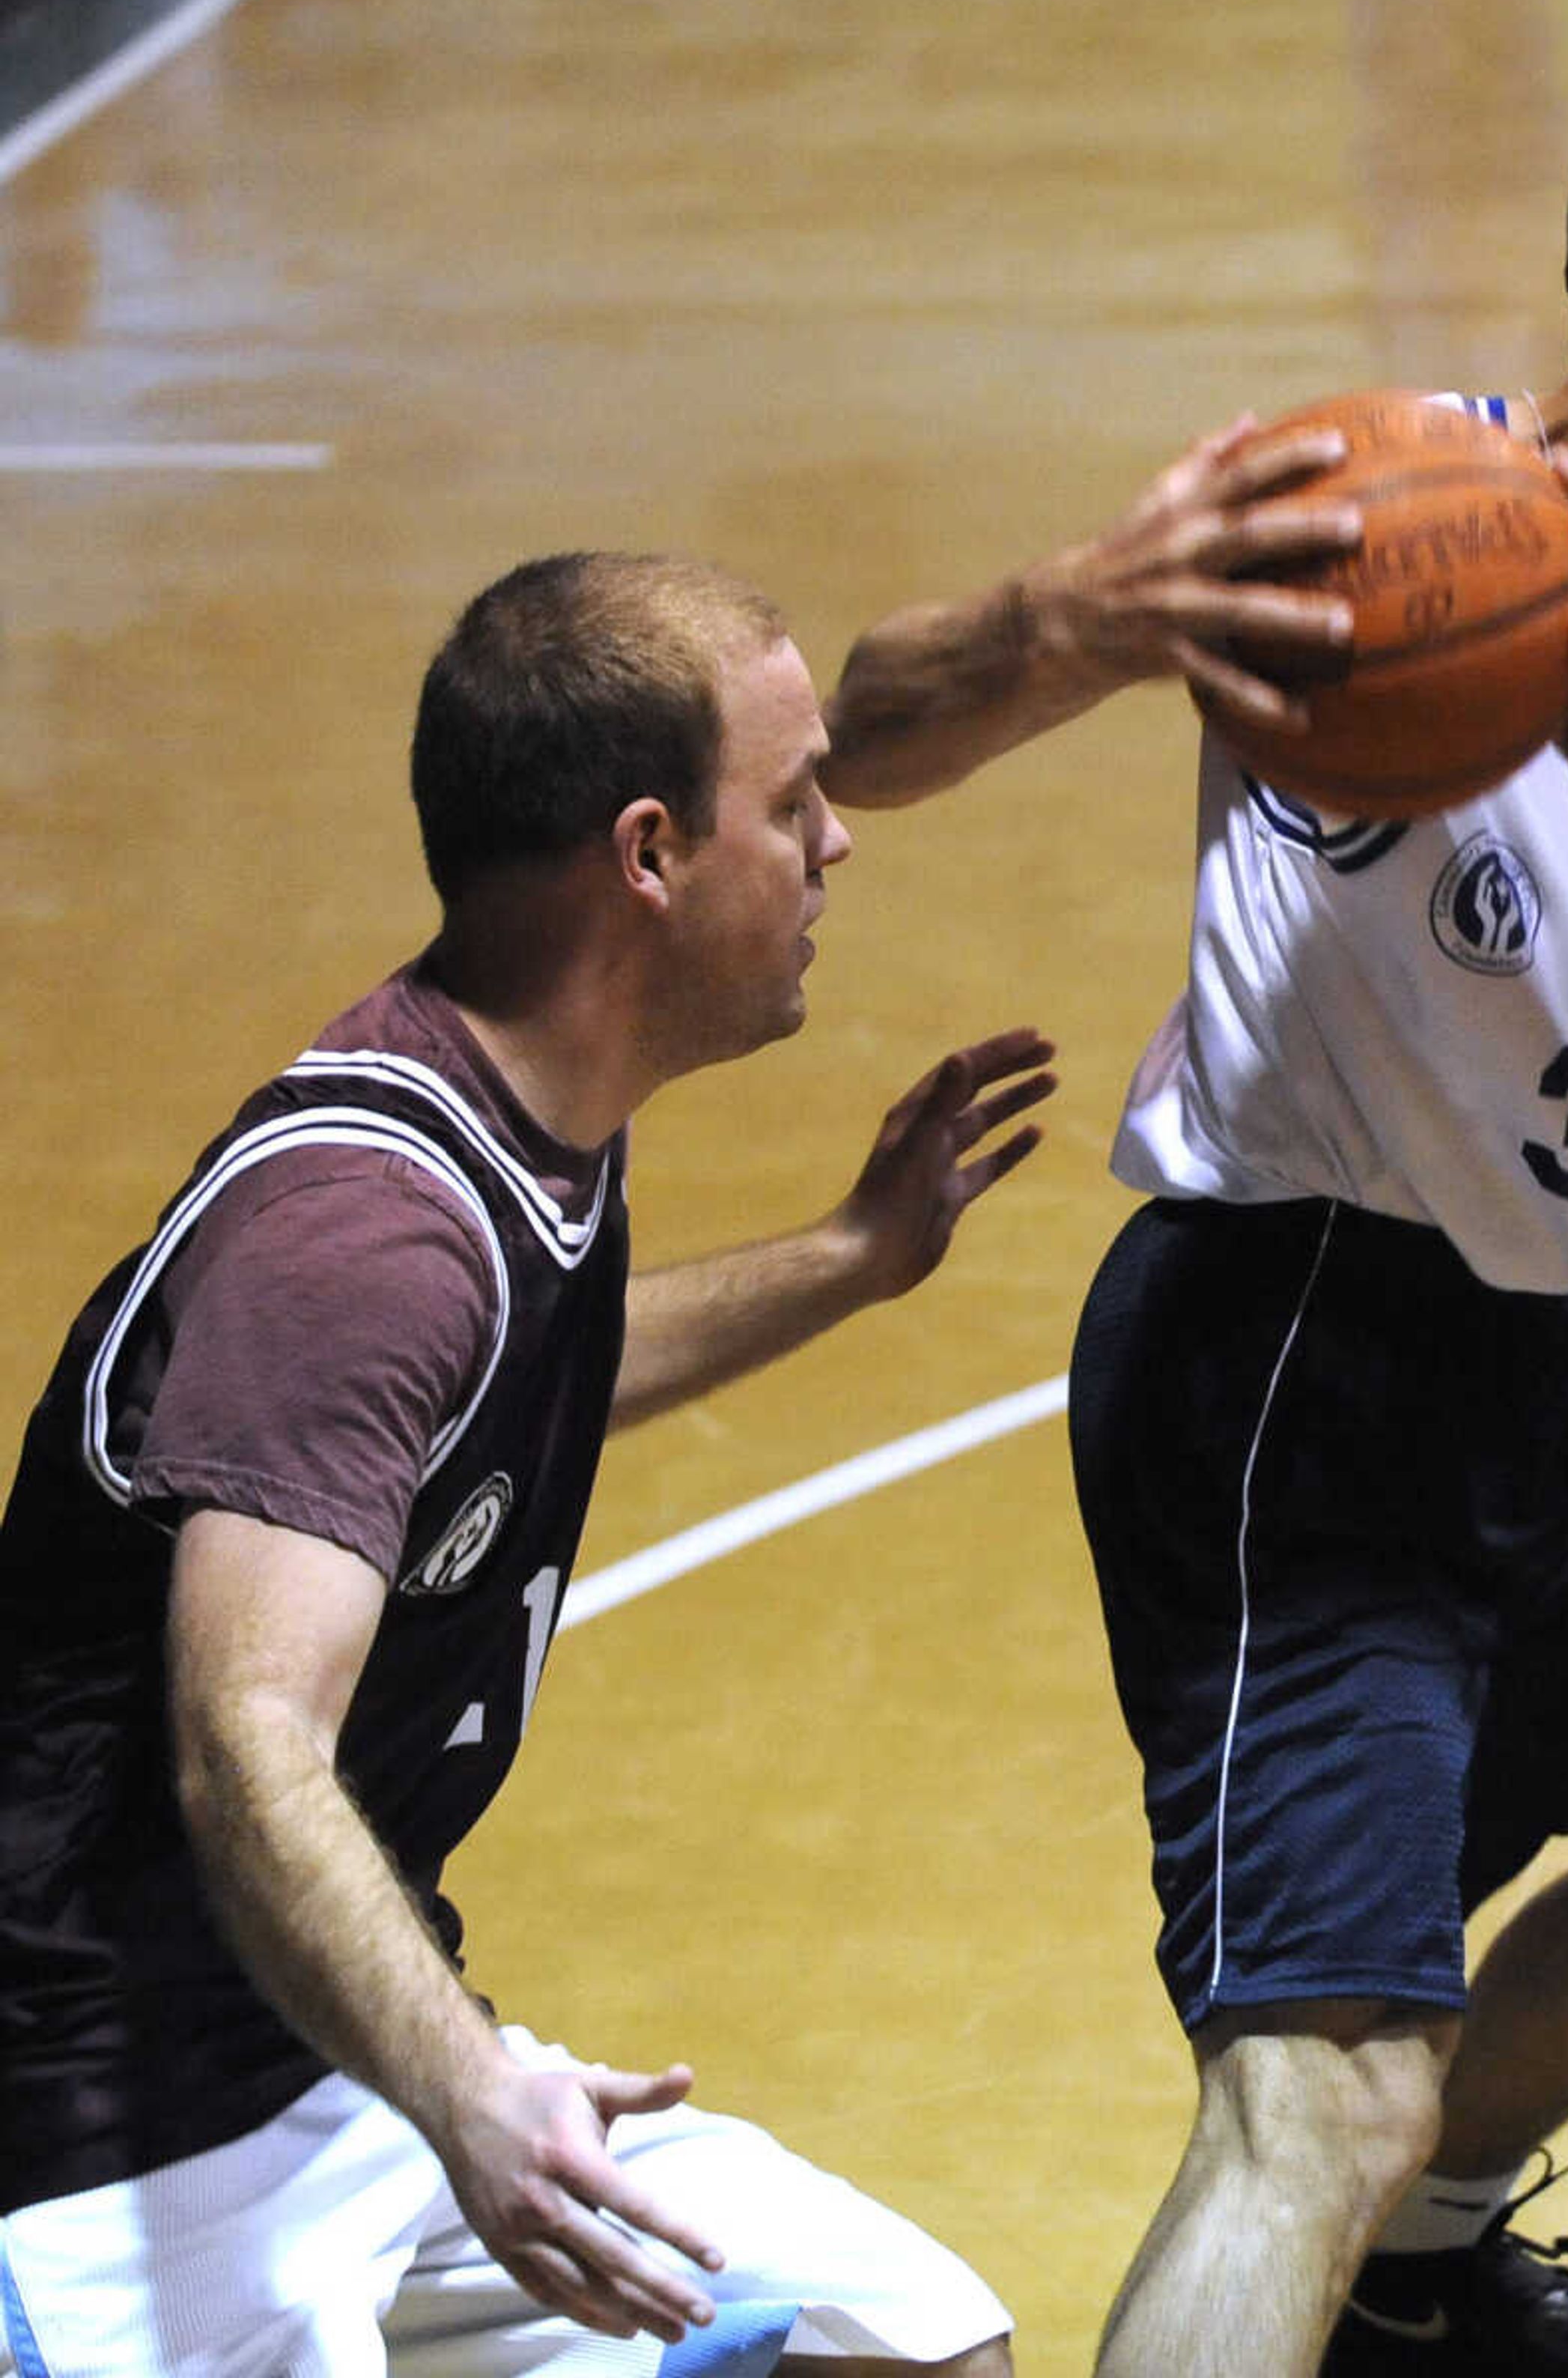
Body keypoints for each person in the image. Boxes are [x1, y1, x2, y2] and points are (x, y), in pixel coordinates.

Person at [824, 41, 1568, 2378]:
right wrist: (1084, 608)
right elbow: (864, 741)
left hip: (1541, 1361)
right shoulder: (1356, 526)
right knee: (1317, 2082)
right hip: (1284, 1360)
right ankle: (1367, 2221)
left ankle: (1414, 2281)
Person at [0, 509, 1334, 2375]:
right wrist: (471, 2090)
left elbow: (510, 1381)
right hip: (103, 2143)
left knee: (913, 2351)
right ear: (649, 853)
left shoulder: (525, 1125)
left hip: (320, 2073)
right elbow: (247, 1745)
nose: (836, 839)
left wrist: (852, 1260)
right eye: (793, 802)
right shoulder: (360, 1242)